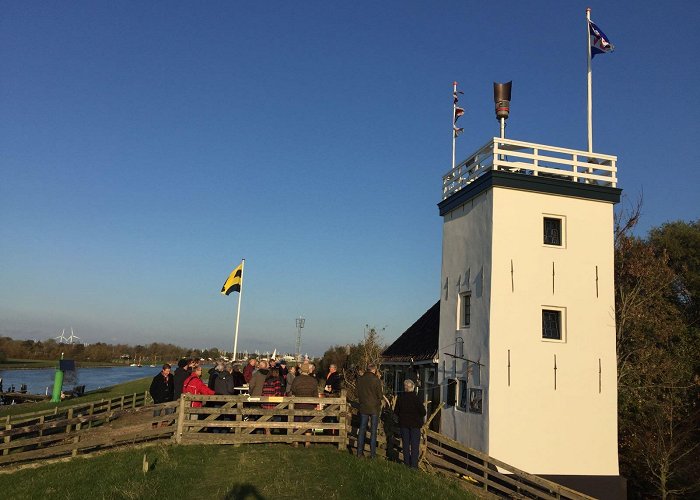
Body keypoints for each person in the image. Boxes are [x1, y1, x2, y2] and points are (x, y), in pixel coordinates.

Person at [394, 379, 425, 468]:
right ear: (413, 387)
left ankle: (406, 463)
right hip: (415, 425)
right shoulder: (416, 399)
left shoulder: (400, 398)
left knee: (406, 445)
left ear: (405, 387)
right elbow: (423, 412)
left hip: (404, 424)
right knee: (415, 445)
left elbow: (396, 411)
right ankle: (414, 465)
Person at [356, 363, 383, 458]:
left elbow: (357, 393)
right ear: (374, 370)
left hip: (363, 407)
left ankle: (359, 452)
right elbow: (380, 395)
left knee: (362, 429)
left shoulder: (360, 379)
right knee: (373, 431)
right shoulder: (376, 380)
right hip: (374, 408)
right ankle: (372, 454)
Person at [291, 363, 319, 447]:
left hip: (298, 403)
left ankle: (296, 441)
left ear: (301, 370)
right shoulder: (313, 380)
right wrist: (315, 403)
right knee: (308, 421)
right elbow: (315, 393)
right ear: (308, 370)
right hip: (309, 404)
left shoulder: (296, 379)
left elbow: (293, 390)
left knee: (296, 421)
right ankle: (307, 441)